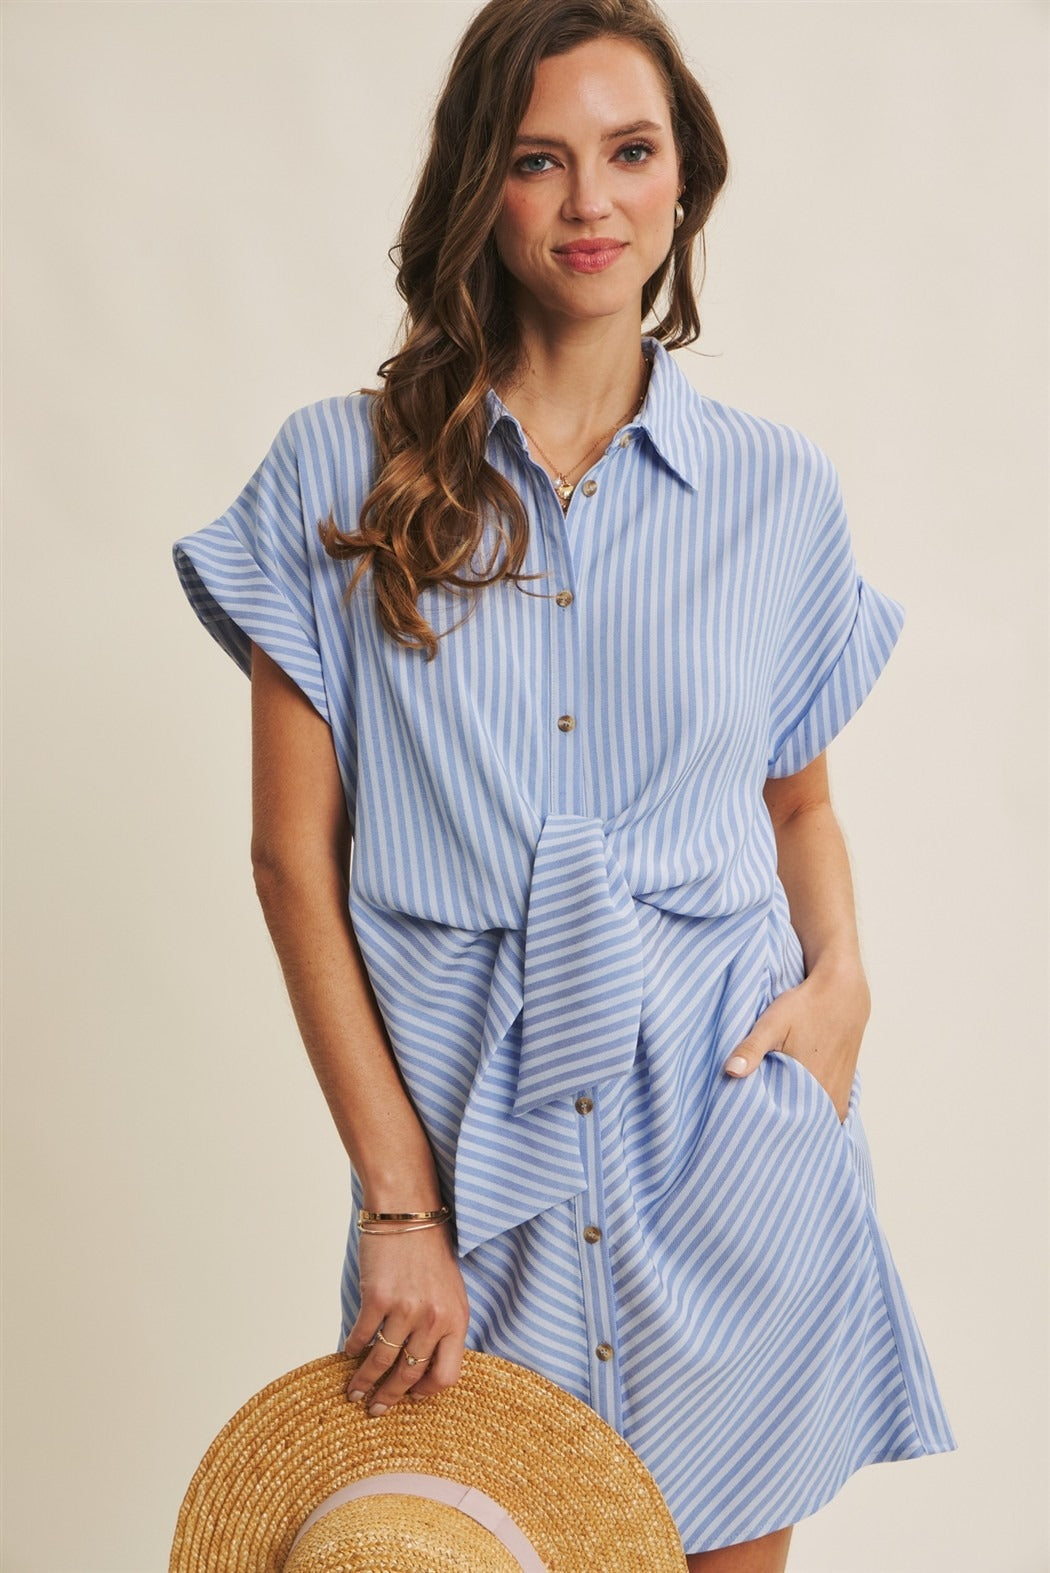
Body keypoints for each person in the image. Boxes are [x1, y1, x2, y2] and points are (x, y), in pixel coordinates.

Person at [173, 0, 955, 1566]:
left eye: (630, 151)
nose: (591, 200)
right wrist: (399, 1199)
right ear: (483, 185)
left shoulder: (776, 492)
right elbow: (288, 863)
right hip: (468, 1170)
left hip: (727, 1164)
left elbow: (796, 802)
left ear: (684, 185)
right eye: (540, 159)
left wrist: (843, 987)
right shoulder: (340, 474)